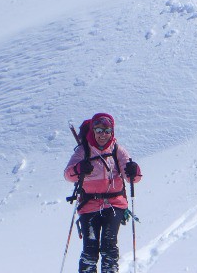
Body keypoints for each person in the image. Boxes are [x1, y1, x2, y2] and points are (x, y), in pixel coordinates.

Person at [64, 113, 142, 273]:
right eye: (99, 130)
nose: (103, 135)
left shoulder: (117, 150)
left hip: (114, 204)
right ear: (93, 130)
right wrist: (79, 169)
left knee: (109, 245)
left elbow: (132, 178)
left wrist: (134, 171)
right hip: (89, 205)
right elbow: (68, 175)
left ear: (112, 132)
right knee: (90, 249)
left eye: (107, 131)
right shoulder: (83, 150)